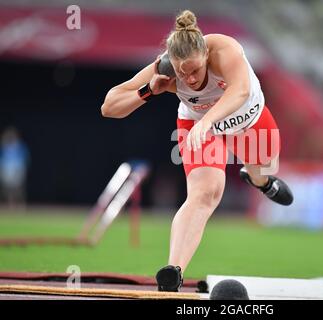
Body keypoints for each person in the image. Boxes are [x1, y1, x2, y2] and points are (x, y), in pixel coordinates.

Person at [101, 10, 293, 292]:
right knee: (205, 194)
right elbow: (109, 107)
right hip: (197, 124)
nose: (189, 80)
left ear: (205, 55)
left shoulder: (224, 49)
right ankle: (173, 271)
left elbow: (239, 91)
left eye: (195, 70)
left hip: (246, 118)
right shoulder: (166, 66)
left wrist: (208, 121)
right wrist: (148, 91)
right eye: (182, 73)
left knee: (266, 165)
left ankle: (259, 181)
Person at [0, 127, 30, 209]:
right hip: (6, 171)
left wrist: (21, 169)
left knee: (19, 189)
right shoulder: (4, 147)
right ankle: (9, 205)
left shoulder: (20, 147)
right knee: (7, 189)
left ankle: (21, 206)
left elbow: (25, 158)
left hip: (17, 170)